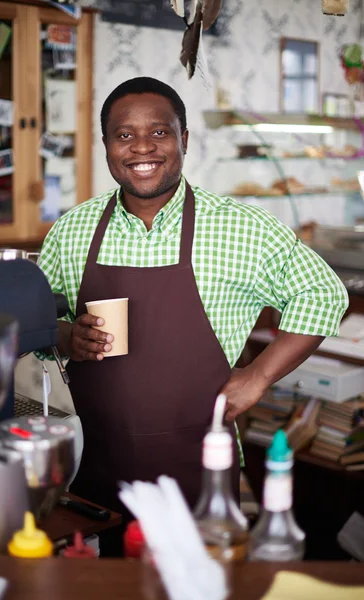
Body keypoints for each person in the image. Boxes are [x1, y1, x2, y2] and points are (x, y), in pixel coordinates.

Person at [37, 76, 348, 539]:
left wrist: (258, 377)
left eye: (159, 132)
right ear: (106, 145)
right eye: (124, 135)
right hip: (91, 465)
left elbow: (324, 294)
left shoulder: (244, 228)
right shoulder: (73, 229)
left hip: (200, 466)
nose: (142, 147)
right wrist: (67, 335)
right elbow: (41, 318)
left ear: (183, 138)